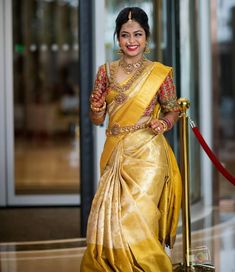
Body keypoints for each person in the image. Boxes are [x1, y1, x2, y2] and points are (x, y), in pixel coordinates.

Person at [80, 7, 182, 272]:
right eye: (125, 35)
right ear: (117, 38)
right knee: (111, 219)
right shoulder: (105, 72)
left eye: (137, 34)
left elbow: (173, 108)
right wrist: (96, 109)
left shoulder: (160, 73)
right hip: (116, 152)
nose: (132, 40)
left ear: (146, 37)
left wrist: (165, 121)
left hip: (148, 152)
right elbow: (95, 119)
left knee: (138, 216)